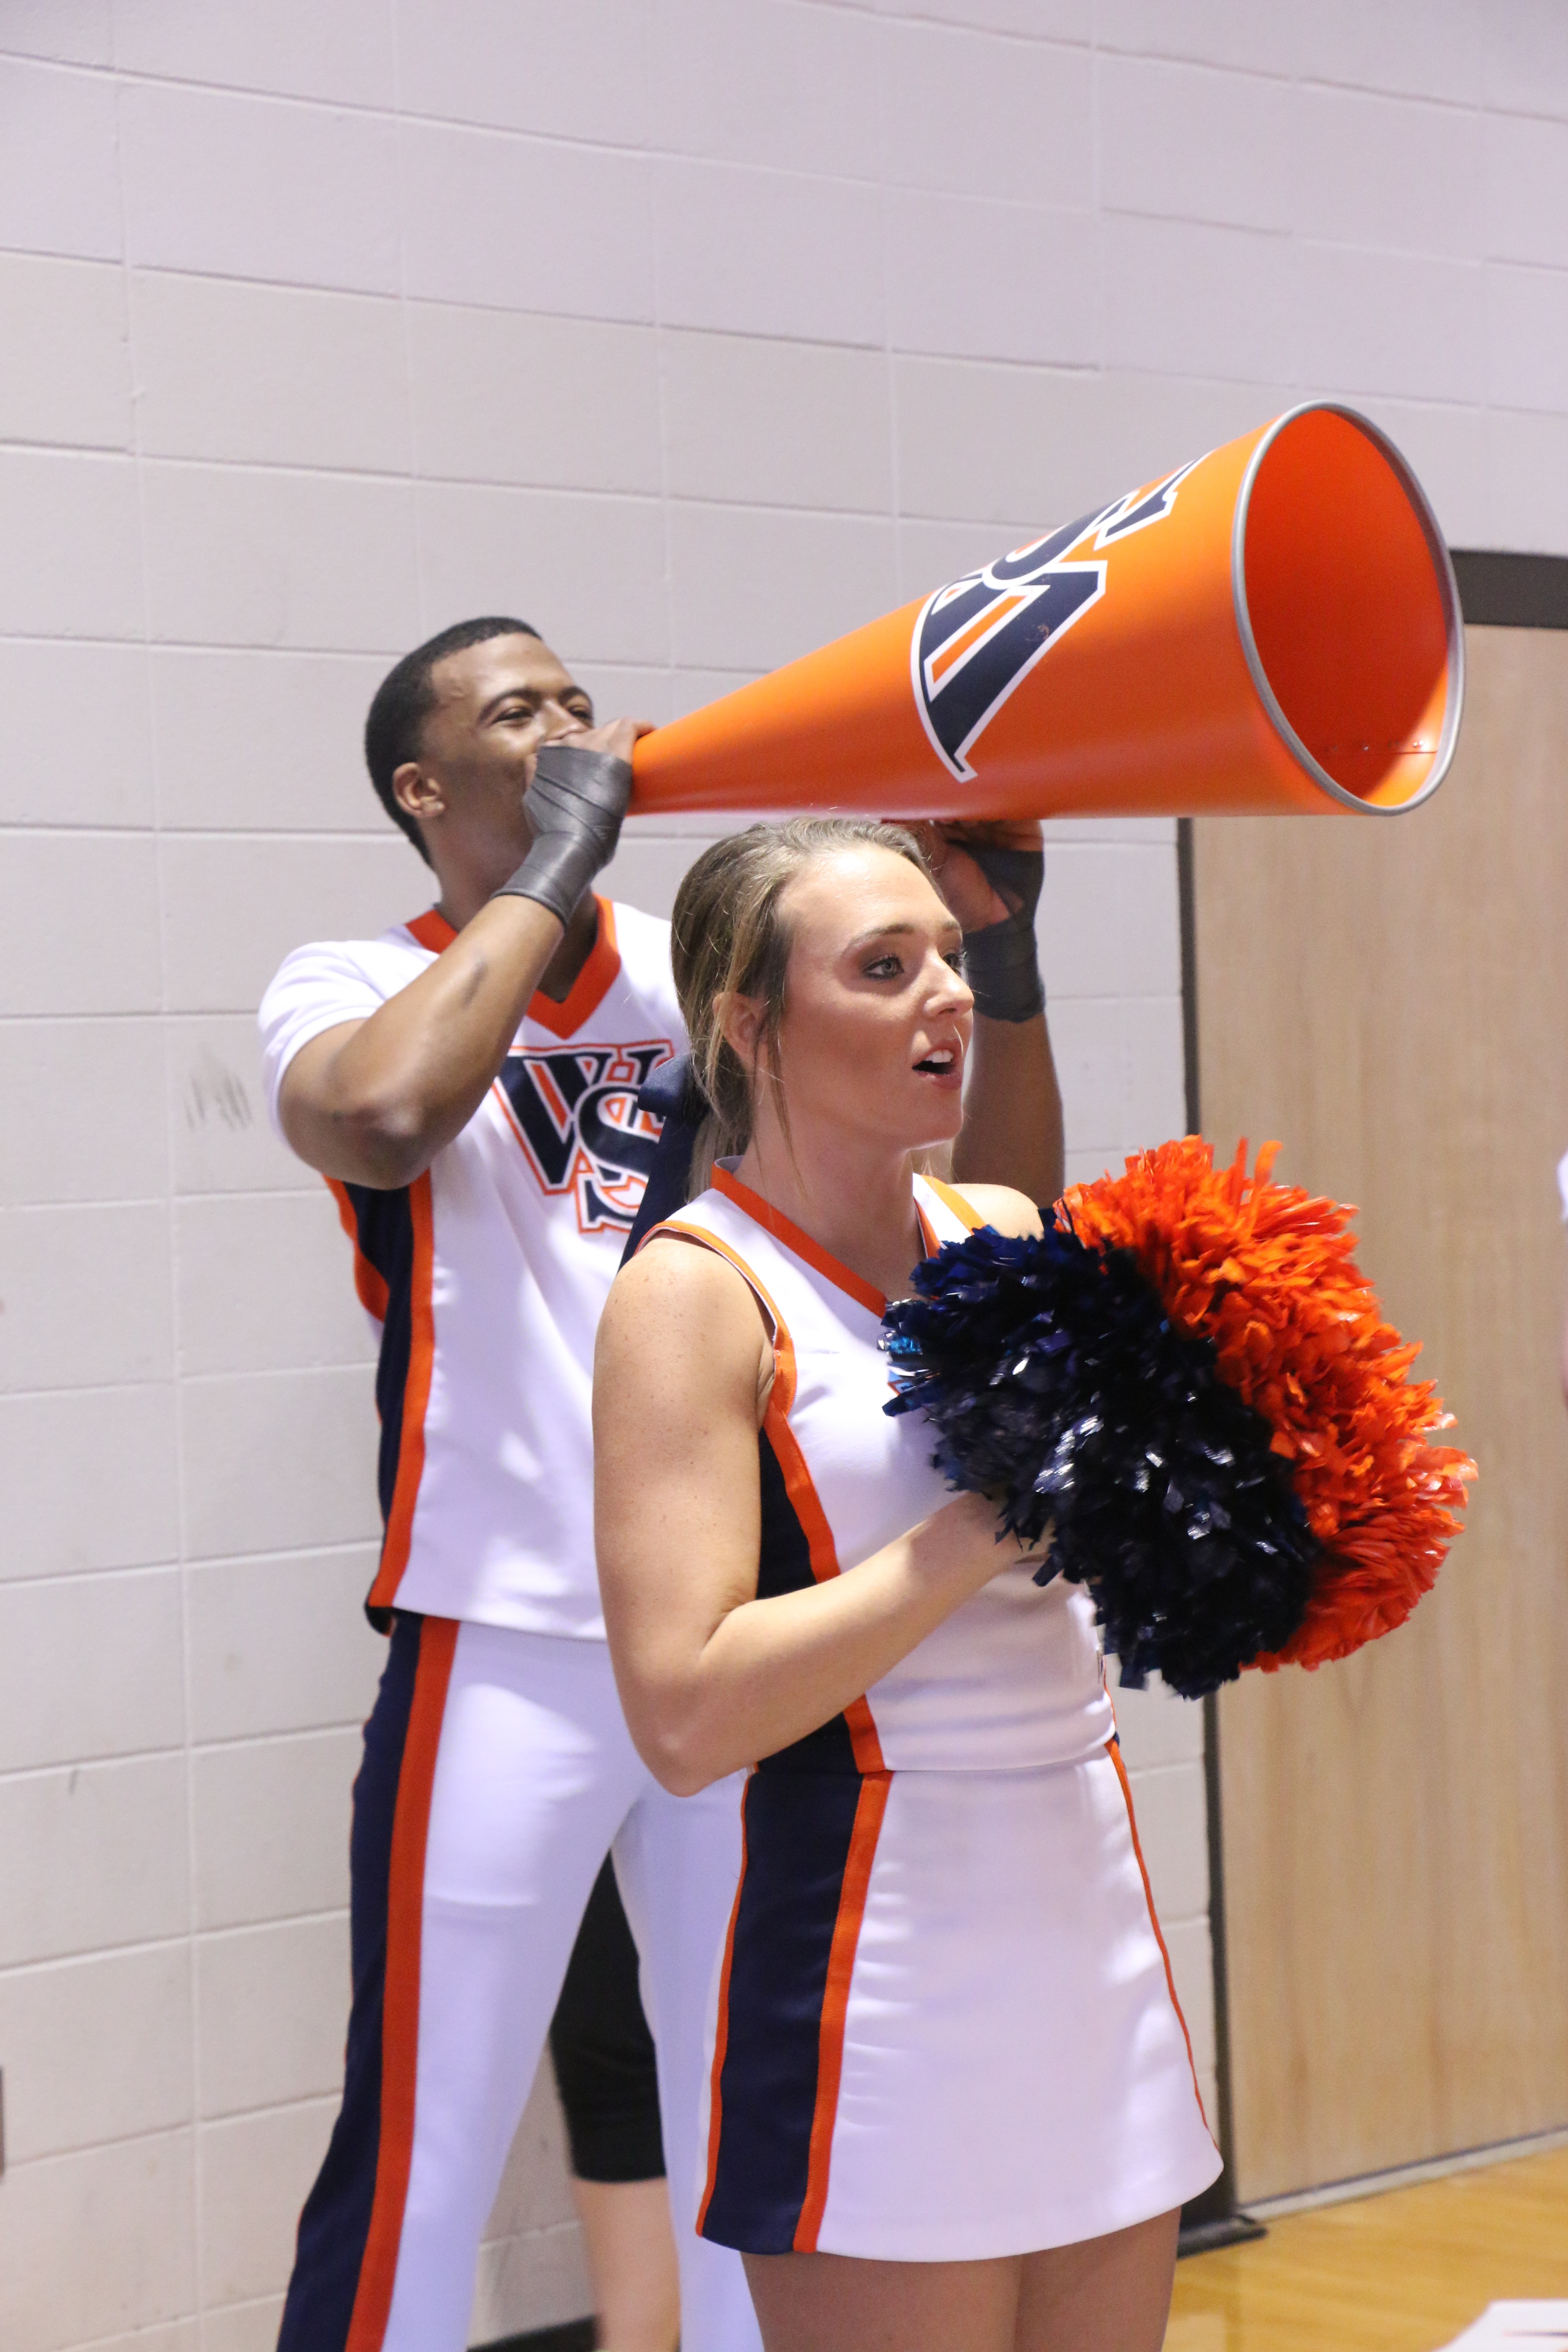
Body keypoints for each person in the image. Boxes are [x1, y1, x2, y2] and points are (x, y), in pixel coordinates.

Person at [257, 617, 1064, 2352]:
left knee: (740, 2145)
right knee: (424, 2148)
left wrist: (995, 974)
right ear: (425, 784)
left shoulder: (692, 970)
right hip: (499, 1641)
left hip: (732, 1630)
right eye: (514, 713)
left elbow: (977, 1242)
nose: (565, 723)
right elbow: (388, 1118)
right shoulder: (345, 978)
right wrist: (553, 865)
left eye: (573, 696)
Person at [593, 817, 1220, 2352]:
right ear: (752, 1023)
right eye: (887, 967)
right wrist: (964, 1542)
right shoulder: (694, 1292)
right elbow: (680, 1714)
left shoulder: (996, 1230)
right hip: (879, 1970)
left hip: (1091, 1940)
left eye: (946, 954)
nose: (944, 995)